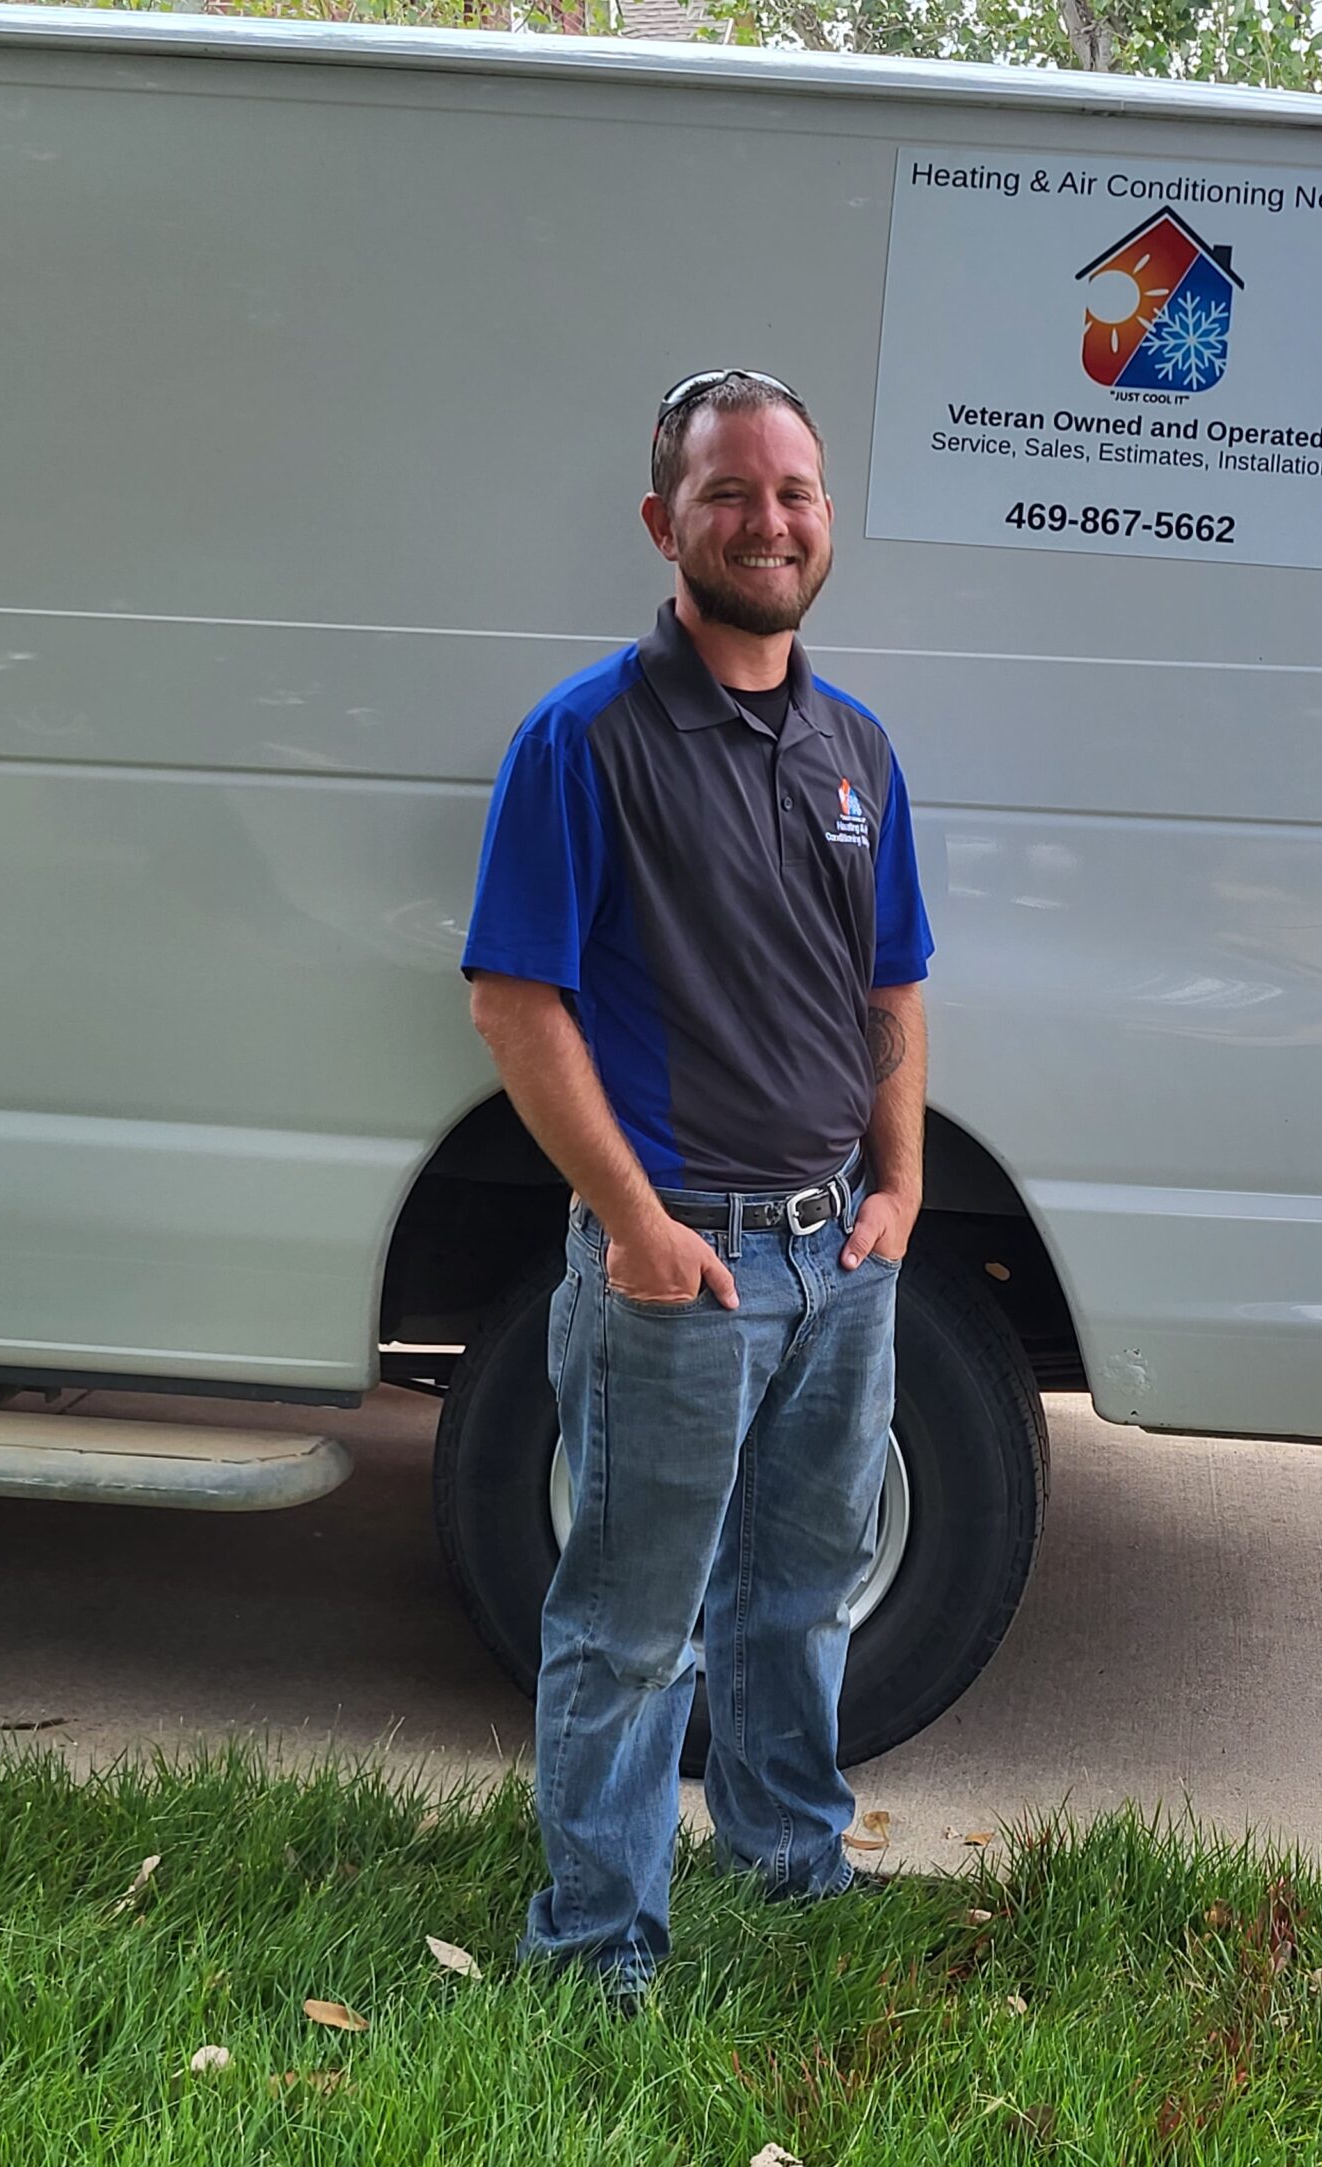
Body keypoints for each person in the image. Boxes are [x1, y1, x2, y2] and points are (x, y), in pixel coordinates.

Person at [462, 368, 933, 2000]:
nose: (768, 520)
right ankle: (598, 1943)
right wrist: (636, 1227)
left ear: (826, 519)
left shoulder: (855, 748)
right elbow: (516, 1003)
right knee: (631, 1625)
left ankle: (790, 1860)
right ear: (666, 523)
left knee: (799, 1598)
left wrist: (899, 1191)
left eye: (793, 492)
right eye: (730, 492)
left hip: (838, 1258)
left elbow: (890, 985)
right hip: (685, 1268)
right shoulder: (583, 741)